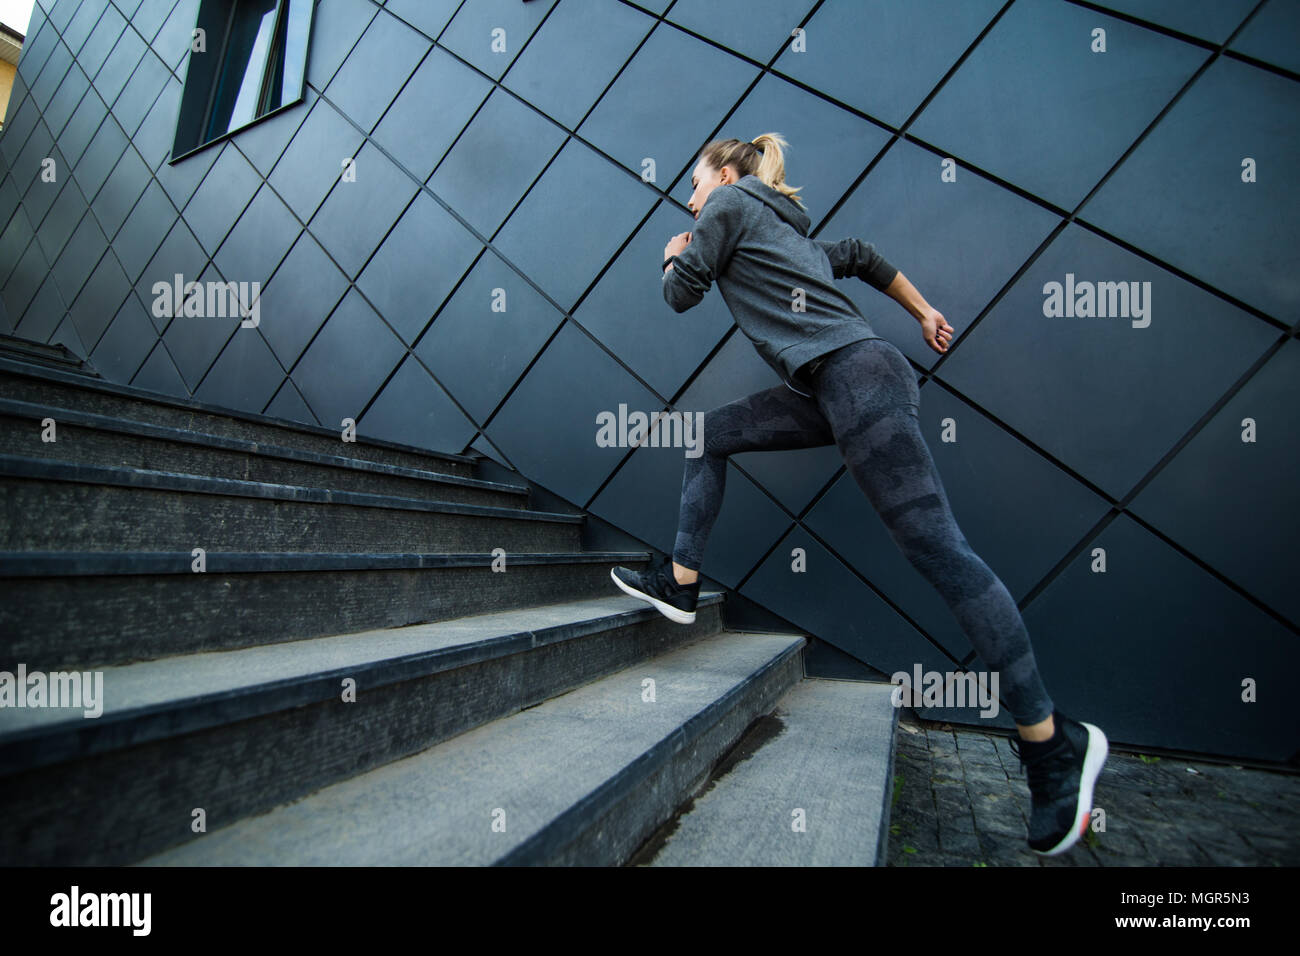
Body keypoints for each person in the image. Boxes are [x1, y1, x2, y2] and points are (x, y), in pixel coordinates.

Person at [610, 133, 1108, 857]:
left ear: (722, 175)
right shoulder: (785, 232)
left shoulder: (723, 208)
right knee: (706, 436)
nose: (688, 198)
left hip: (858, 378)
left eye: (693, 183)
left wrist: (670, 251)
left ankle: (1051, 740)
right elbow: (866, 255)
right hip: (831, 384)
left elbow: (680, 293)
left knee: (937, 549)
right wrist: (924, 312)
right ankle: (682, 582)